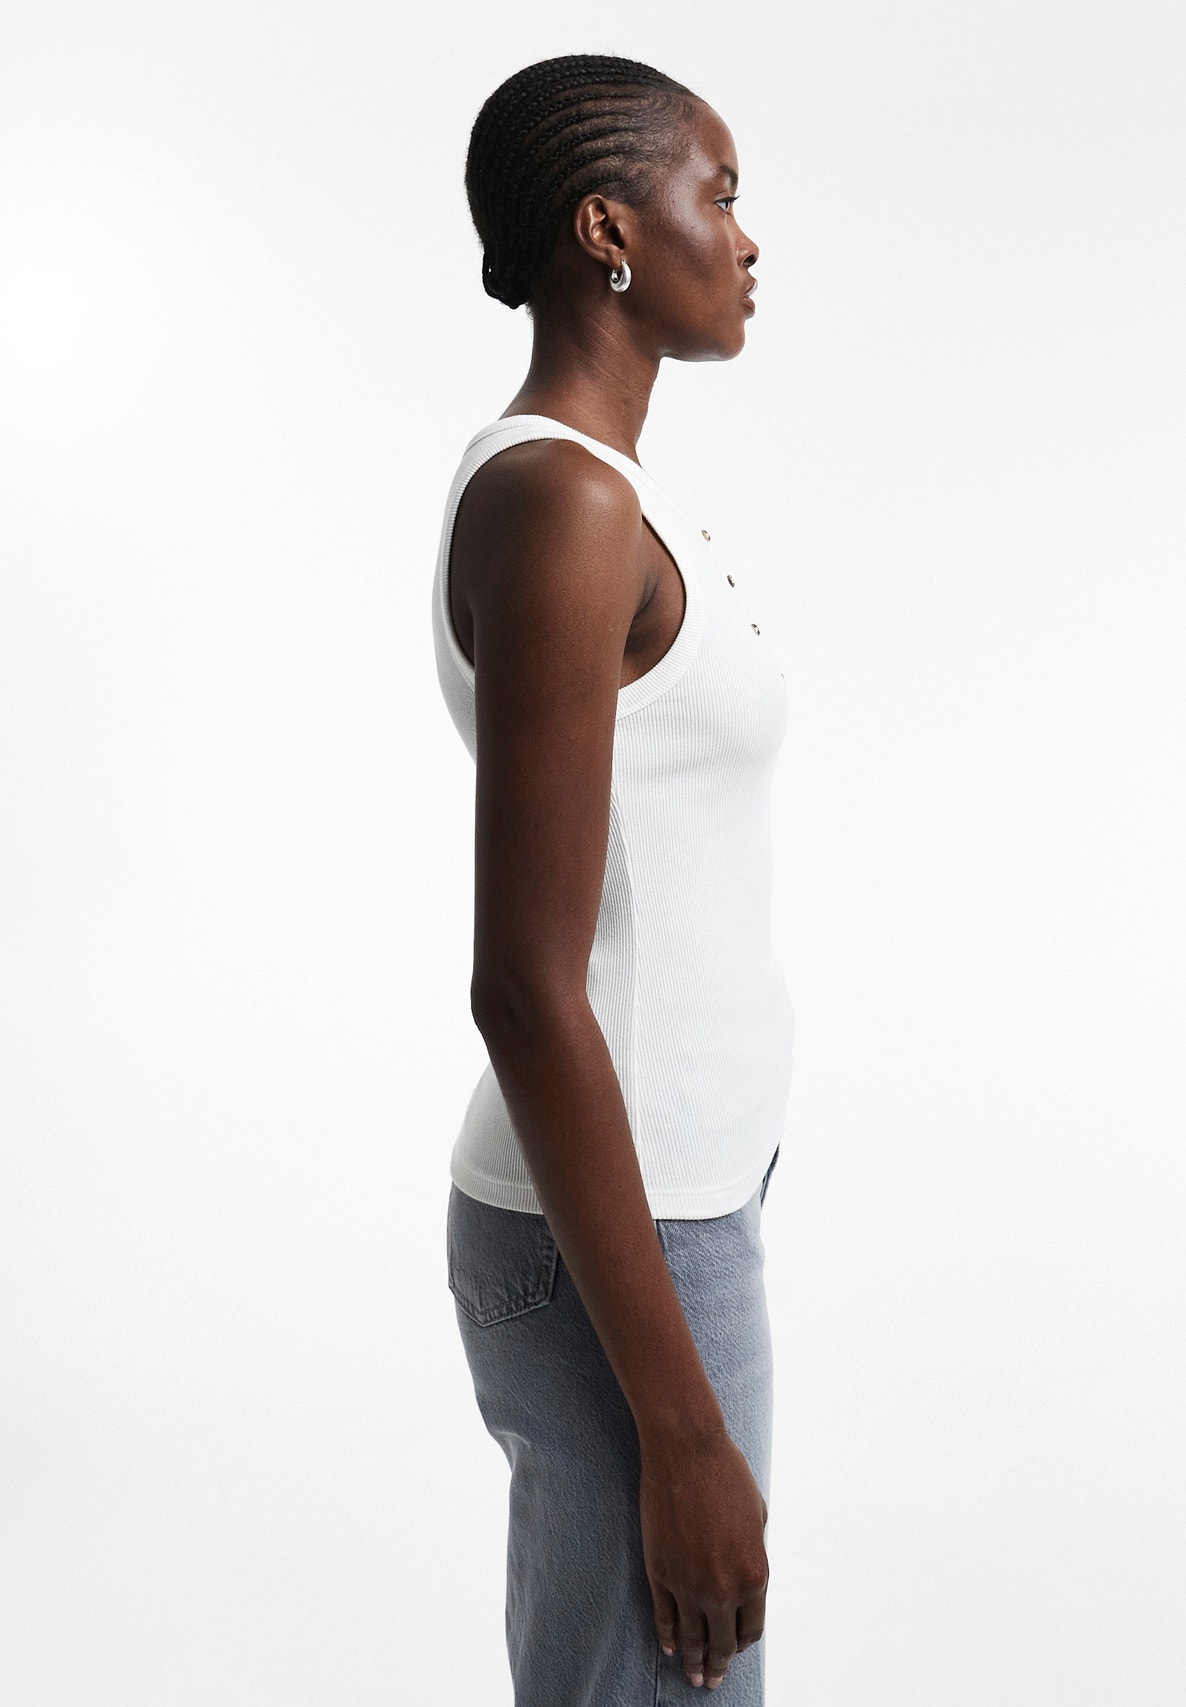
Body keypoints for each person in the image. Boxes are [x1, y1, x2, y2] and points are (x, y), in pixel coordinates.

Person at [432, 52, 794, 1706]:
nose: (747, 237)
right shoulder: (563, 503)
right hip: (622, 1245)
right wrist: (684, 1433)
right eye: (717, 192)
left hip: (670, 1213)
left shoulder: (602, 493)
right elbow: (523, 983)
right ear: (607, 229)